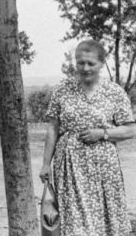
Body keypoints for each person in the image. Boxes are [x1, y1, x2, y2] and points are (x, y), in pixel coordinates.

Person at [40, 39, 135, 236]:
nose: (85, 68)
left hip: (104, 169)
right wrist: (45, 163)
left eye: (91, 63)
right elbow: (52, 128)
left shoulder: (114, 92)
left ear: (101, 64)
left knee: (104, 217)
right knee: (74, 220)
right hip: (70, 167)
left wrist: (102, 133)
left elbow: (130, 129)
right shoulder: (62, 90)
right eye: (80, 62)